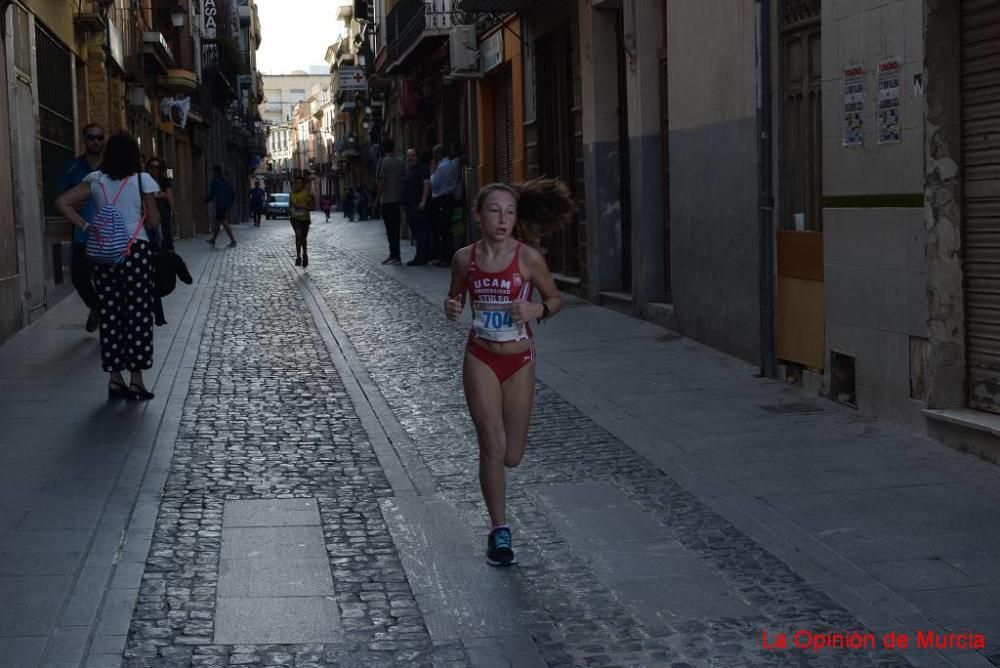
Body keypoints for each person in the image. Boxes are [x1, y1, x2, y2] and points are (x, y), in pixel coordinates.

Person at [443, 178, 574, 566]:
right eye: (494, 211)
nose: (503, 219)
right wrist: (451, 306)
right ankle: (499, 531)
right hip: (481, 357)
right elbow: (455, 297)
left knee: (513, 455)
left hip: (519, 361)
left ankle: (500, 509)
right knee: (492, 446)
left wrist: (538, 310)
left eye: (510, 212)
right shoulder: (464, 259)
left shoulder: (529, 258)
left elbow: (554, 298)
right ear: (478, 216)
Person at [55, 132, 161, 401]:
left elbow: (62, 202)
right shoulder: (143, 179)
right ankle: (137, 380)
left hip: (103, 252)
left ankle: (115, 380)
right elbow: (153, 221)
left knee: (110, 314)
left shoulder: (96, 180)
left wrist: (88, 228)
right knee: (137, 314)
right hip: (135, 250)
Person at [58, 122, 105, 332]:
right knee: (79, 277)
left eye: (99, 137)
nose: (95, 141)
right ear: (84, 140)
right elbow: (61, 197)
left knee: (106, 282)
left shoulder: (112, 168)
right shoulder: (72, 167)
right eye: (91, 137)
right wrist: (74, 203)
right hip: (83, 235)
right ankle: (96, 307)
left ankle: (108, 319)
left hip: (107, 236)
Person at [375, 138, 405, 265]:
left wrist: (376, 199)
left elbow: (382, 182)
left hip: (387, 201)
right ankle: (396, 254)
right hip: (398, 200)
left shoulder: (384, 162)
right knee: (396, 229)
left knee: (389, 230)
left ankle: (394, 254)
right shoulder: (400, 162)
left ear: (383, 149)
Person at [429, 144, 461, 267]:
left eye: (435, 154)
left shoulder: (441, 167)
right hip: (450, 197)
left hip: (442, 198)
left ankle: (445, 257)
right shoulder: (454, 164)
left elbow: (435, 184)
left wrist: (432, 172)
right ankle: (448, 256)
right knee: (447, 229)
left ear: (438, 154)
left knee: (443, 229)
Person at [402, 148, 432, 266]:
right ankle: (423, 255)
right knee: (417, 232)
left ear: (417, 157)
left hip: (417, 205)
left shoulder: (422, 169)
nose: (410, 158)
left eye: (413, 156)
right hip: (410, 206)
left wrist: (423, 201)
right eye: (408, 156)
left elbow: (427, 184)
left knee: (421, 232)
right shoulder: (409, 169)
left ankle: (421, 257)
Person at [144, 158, 175, 251]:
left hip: (162, 211)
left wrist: (174, 210)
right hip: (149, 212)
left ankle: (166, 255)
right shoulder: (144, 179)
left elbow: (169, 196)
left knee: (164, 235)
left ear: (160, 169)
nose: (154, 169)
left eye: (157, 167)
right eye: (151, 167)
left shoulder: (164, 180)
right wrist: (158, 194)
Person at [204, 165, 237, 247]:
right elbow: (233, 193)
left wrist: (205, 200)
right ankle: (213, 240)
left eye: (213, 172)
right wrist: (230, 202)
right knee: (217, 222)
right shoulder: (227, 181)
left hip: (220, 204)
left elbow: (212, 194)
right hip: (226, 204)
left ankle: (233, 240)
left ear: (215, 172)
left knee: (223, 221)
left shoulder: (215, 182)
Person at [289, 176, 315, 267]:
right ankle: (298, 256)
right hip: (295, 218)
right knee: (298, 235)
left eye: (300, 182)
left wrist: (304, 206)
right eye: (296, 182)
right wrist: (294, 207)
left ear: (303, 184)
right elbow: (291, 206)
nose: (298, 184)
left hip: (305, 219)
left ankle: (305, 254)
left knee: (303, 238)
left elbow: (312, 206)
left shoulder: (307, 193)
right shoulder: (292, 194)